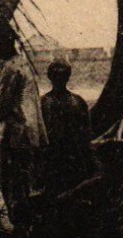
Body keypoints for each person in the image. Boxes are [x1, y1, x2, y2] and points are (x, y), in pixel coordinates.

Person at [49, 142, 123, 238]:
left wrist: (121, 209)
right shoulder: (98, 182)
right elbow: (69, 195)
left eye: (114, 161)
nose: (109, 166)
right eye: (107, 162)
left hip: (121, 230)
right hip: (104, 228)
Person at [0, 32, 45, 219]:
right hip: (28, 131)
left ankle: (19, 223)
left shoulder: (9, 69)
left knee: (12, 181)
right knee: (23, 180)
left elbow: (0, 106)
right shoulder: (22, 64)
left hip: (14, 133)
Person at [40, 59, 96, 197]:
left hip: (73, 156)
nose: (59, 79)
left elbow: (86, 132)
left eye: (62, 76)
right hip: (53, 157)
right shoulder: (44, 103)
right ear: (50, 77)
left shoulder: (76, 102)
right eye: (56, 76)